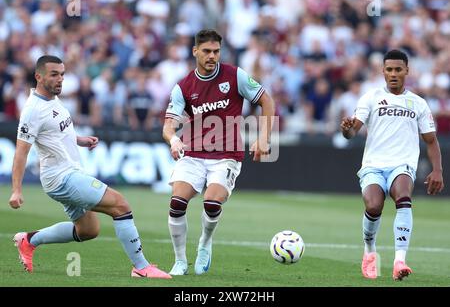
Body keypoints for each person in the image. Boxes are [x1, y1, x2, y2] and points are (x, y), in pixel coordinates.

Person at [9, 55, 171, 279]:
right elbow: (21, 152)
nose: (60, 79)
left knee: (88, 231)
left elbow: (56, 132)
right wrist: (16, 190)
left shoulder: (52, 100)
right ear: (39, 76)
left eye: (62, 74)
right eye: (54, 74)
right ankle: (141, 268)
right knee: (121, 206)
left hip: (69, 173)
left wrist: (80, 139)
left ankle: (28, 240)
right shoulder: (32, 110)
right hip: (61, 178)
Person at [162, 29, 275, 275]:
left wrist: (263, 137)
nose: (212, 56)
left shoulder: (235, 76)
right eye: (206, 51)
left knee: (212, 203)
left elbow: (267, 100)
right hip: (193, 154)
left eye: (216, 51)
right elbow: (168, 127)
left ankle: (205, 242)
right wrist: (173, 140)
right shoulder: (183, 86)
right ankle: (180, 260)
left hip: (226, 155)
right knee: (177, 201)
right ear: (195, 52)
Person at [340, 49, 444, 281]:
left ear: (407, 70)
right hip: (373, 165)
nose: (394, 74)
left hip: (403, 164)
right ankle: (369, 252)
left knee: (403, 196)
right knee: (374, 206)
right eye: (389, 69)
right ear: (383, 71)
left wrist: (437, 170)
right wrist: (346, 129)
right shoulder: (370, 98)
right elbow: (352, 132)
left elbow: (431, 140)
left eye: (398, 69)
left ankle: (400, 260)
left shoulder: (418, 103)